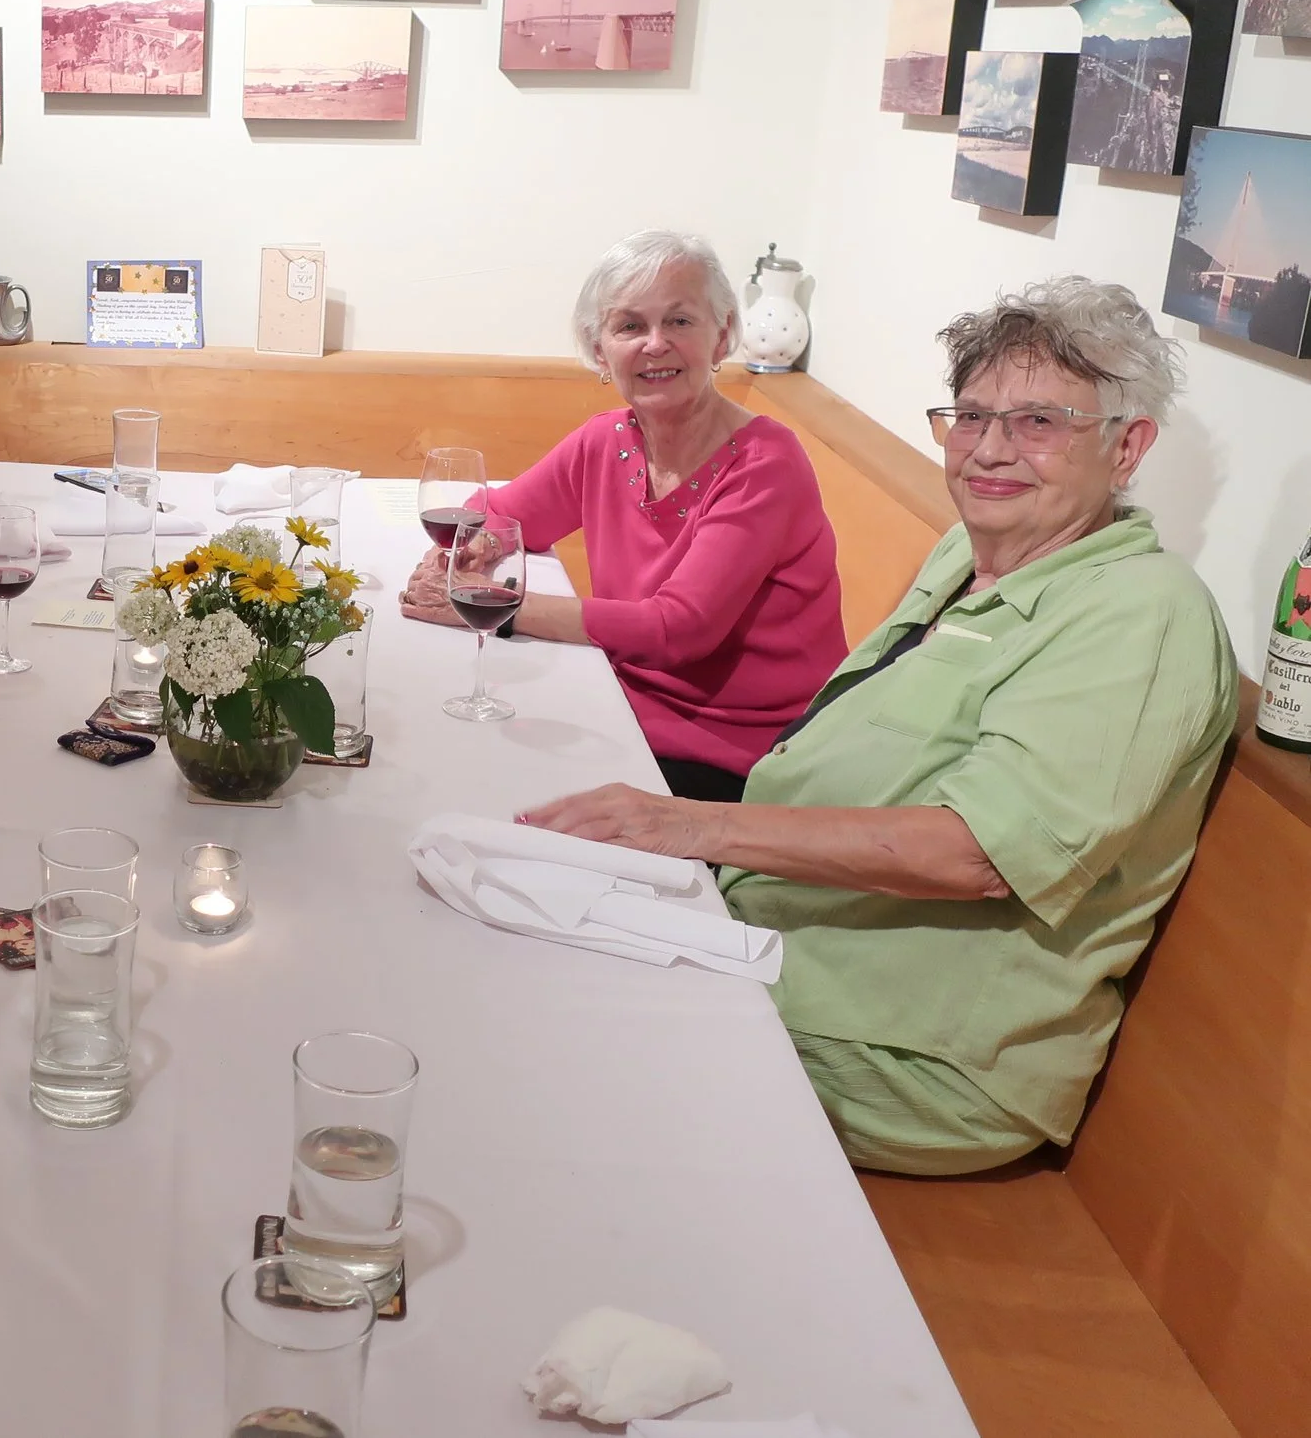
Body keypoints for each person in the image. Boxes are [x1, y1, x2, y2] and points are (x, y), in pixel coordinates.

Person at [521, 279, 1236, 1176]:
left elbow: (979, 854)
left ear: (1126, 446)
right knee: (504, 912)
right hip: (776, 936)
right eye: (972, 417)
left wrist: (691, 826)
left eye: (1039, 423)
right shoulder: (970, 554)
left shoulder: (1142, 613)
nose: (990, 450)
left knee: (538, 1049)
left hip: (910, 1050)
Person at [403, 230, 847, 801]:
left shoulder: (764, 464)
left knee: (487, 788)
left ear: (722, 335)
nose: (655, 344)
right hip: (622, 703)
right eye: (630, 326)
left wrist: (497, 607)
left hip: (742, 755)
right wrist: (476, 551)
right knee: (436, 748)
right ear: (599, 351)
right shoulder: (606, 441)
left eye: (680, 321)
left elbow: (678, 630)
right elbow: (496, 512)